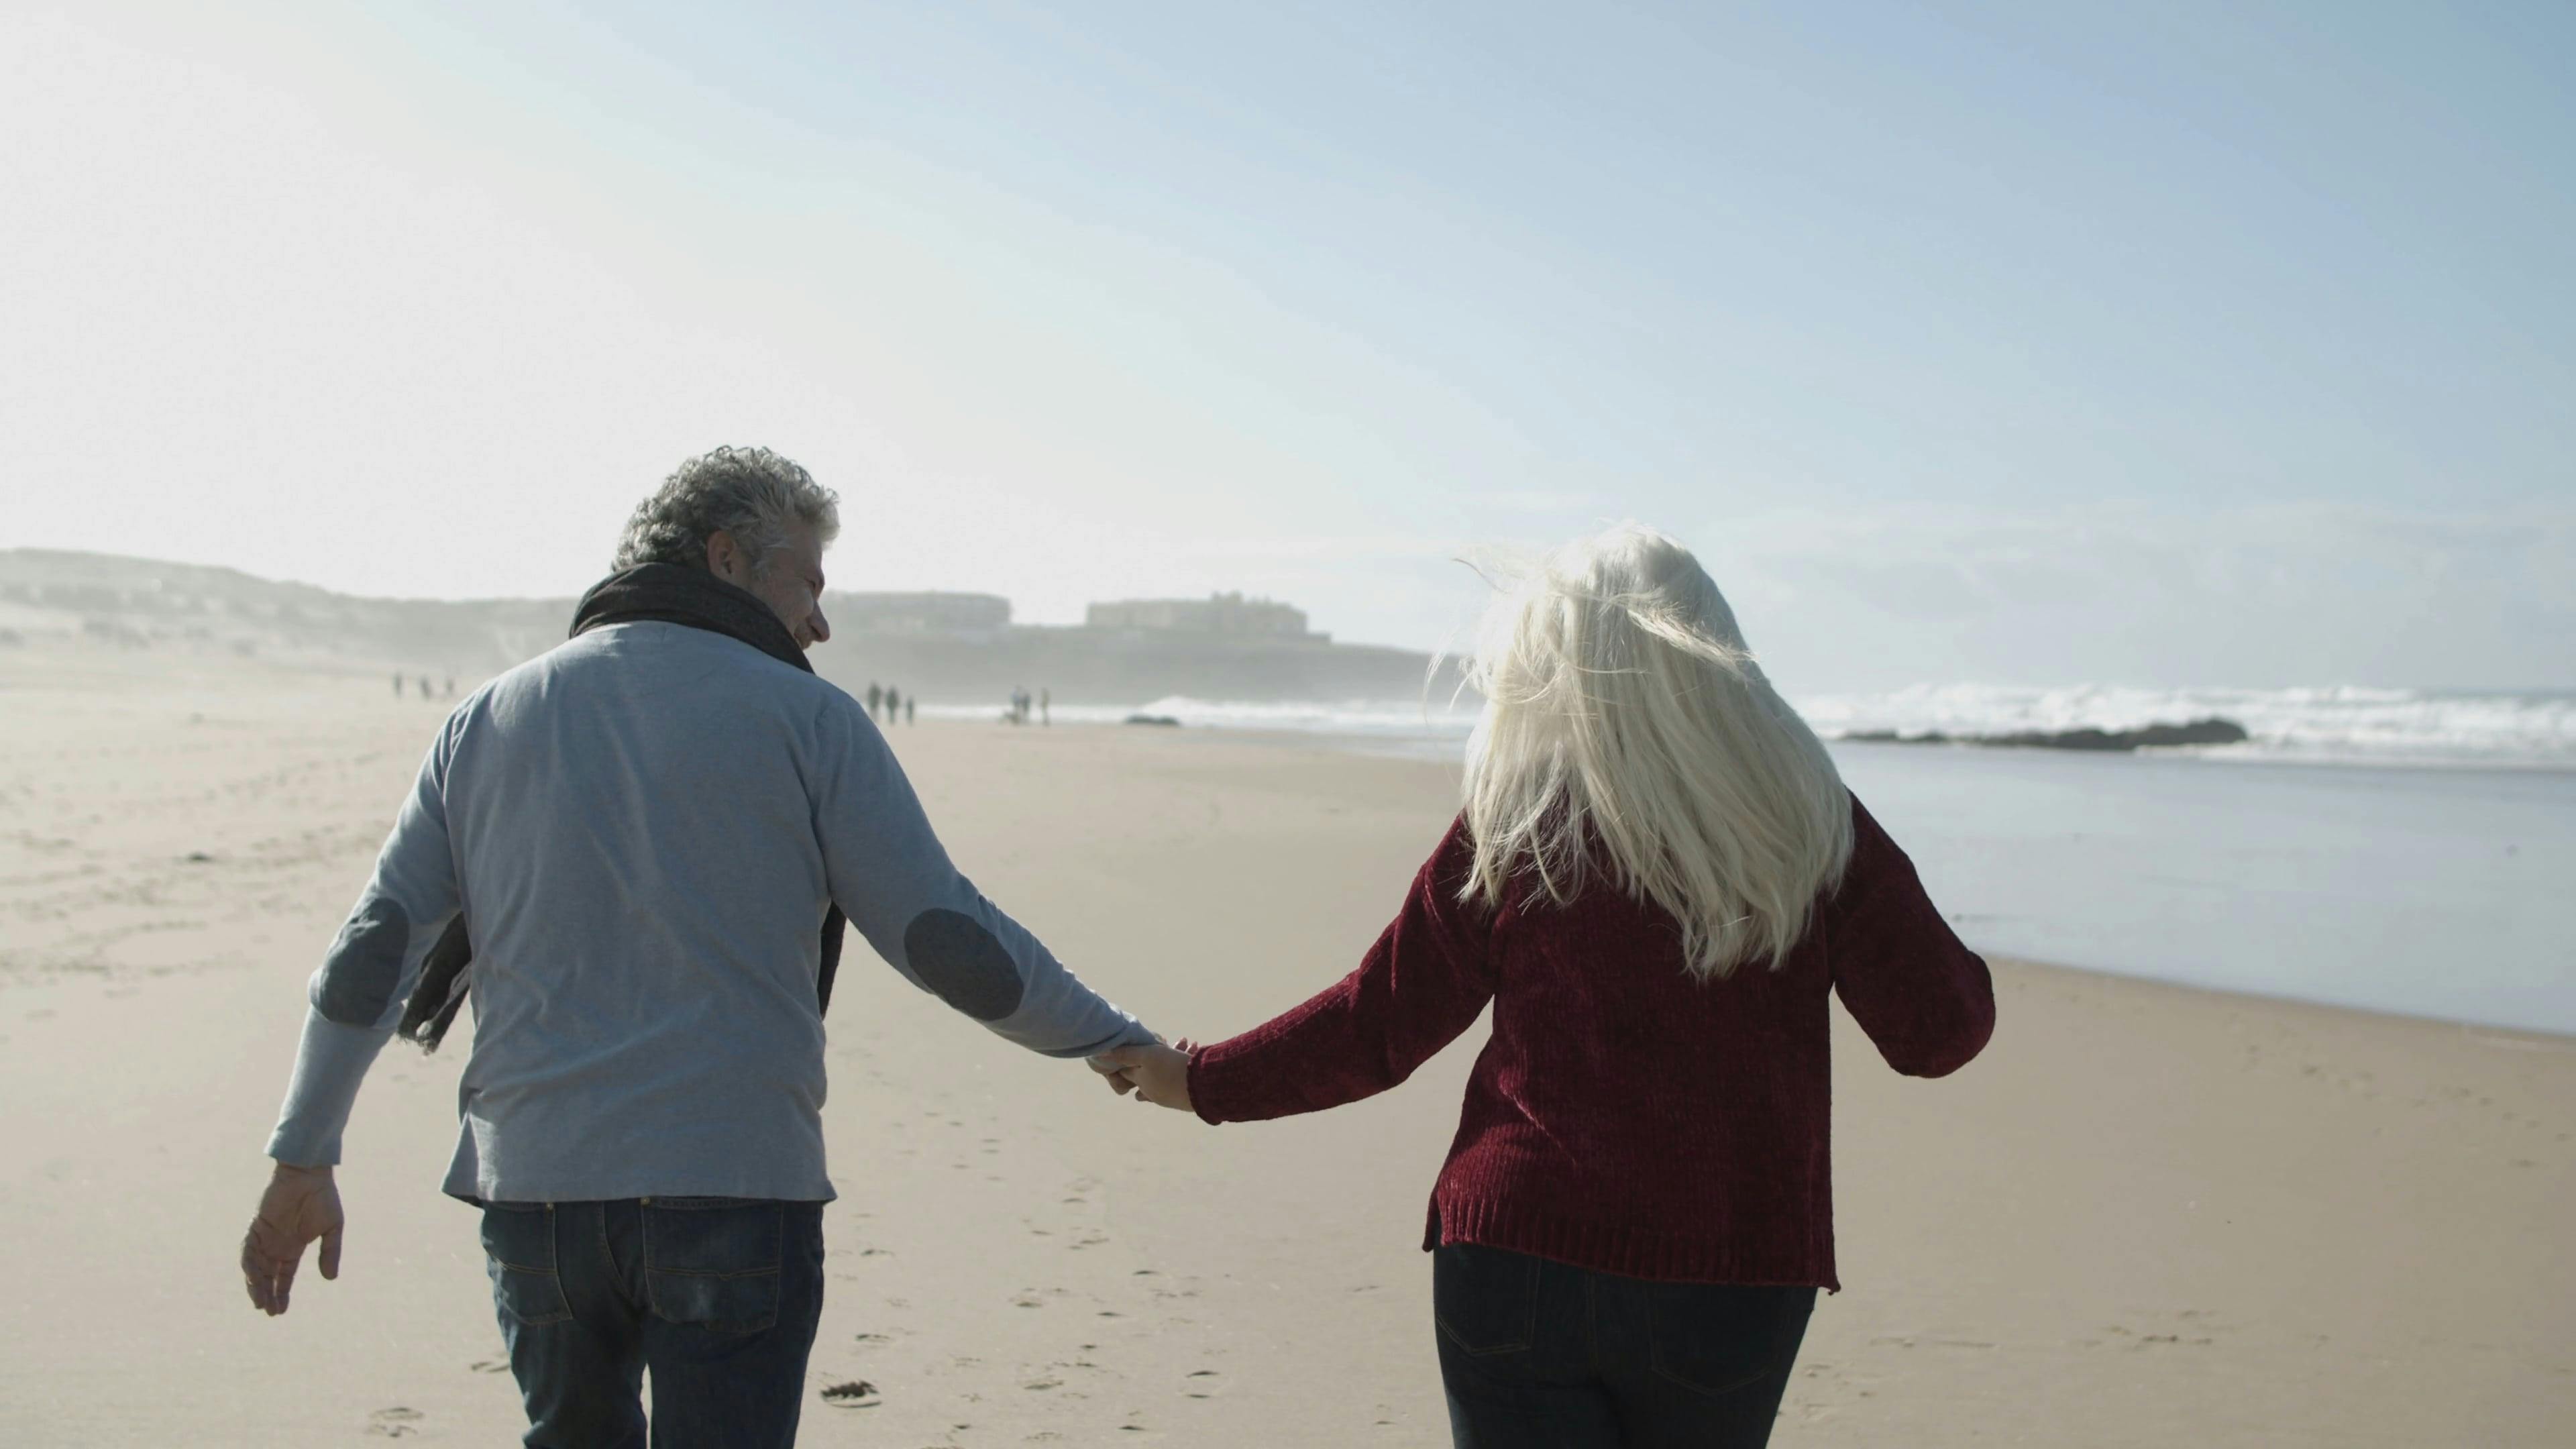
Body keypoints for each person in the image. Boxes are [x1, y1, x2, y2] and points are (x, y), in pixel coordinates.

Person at [239, 446, 1152, 1449]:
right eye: (807, 582)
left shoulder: (487, 720)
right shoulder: (808, 717)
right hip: (734, 1185)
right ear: (725, 557)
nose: (820, 621)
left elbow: (374, 951)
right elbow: (944, 938)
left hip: (536, 1188)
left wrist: (303, 1154)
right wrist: (1109, 1038)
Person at [1107, 525, 1994, 1449]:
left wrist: (1199, 1079)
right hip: (1731, 1275)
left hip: (1517, 1254)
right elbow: (1939, 1035)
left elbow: (1379, 1025)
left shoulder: (1522, 816)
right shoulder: (1808, 820)